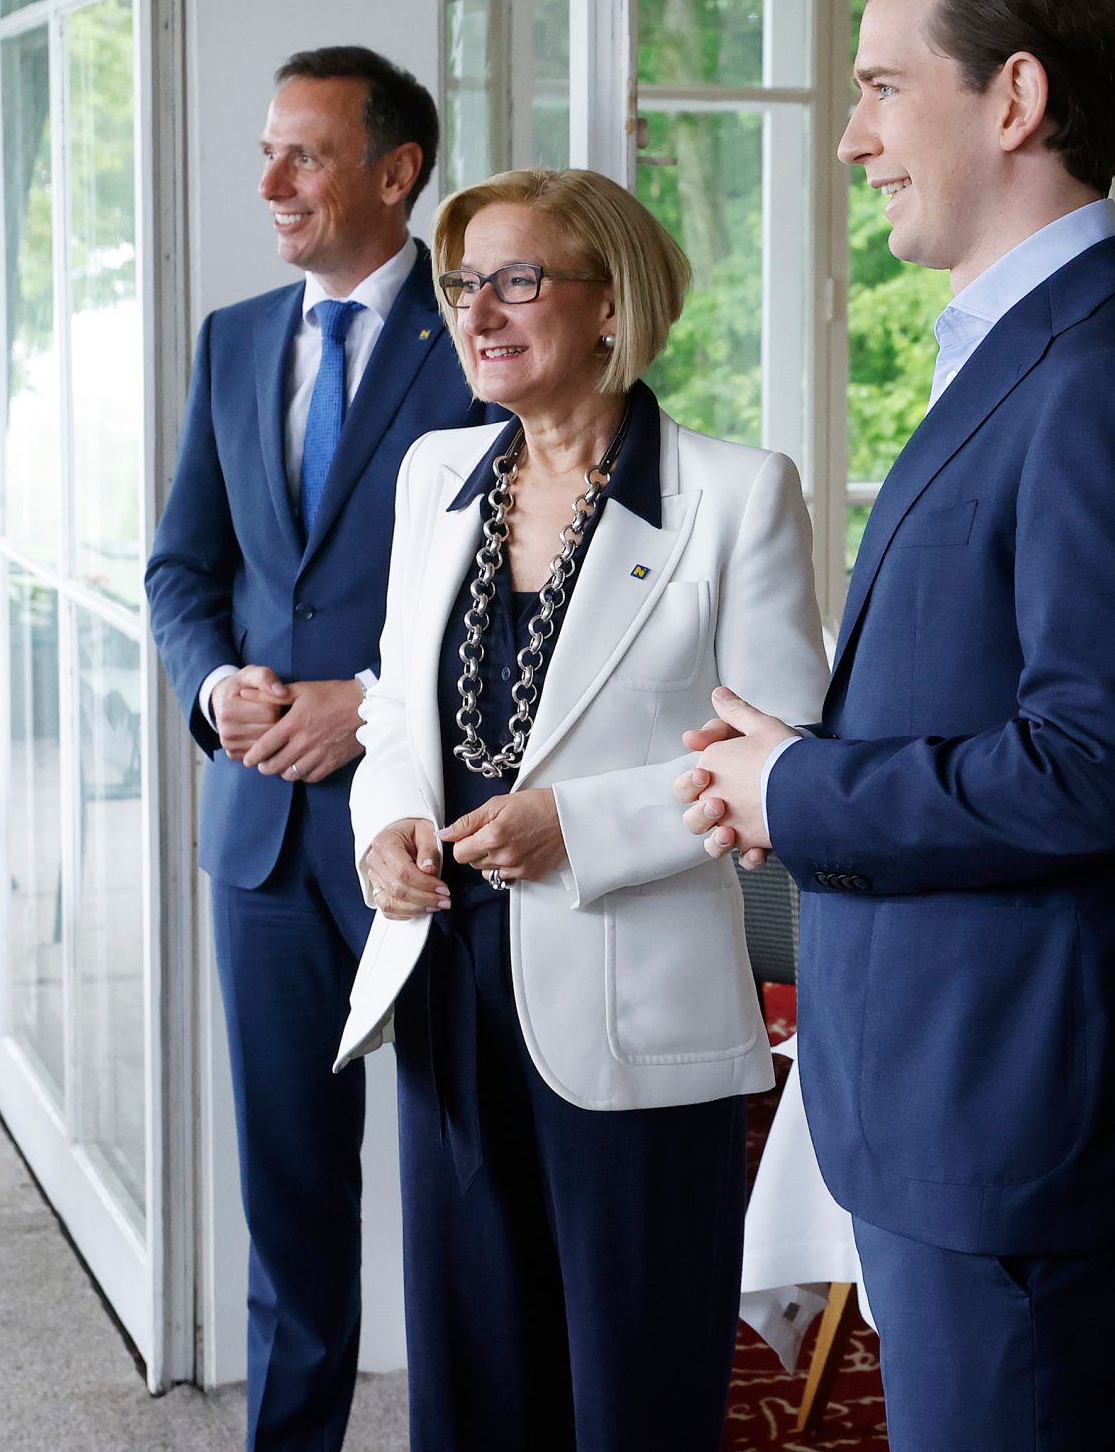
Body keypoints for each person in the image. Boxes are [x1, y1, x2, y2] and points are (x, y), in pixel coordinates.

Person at [676, 0, 1115, 1451]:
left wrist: (801, 788)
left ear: (1012, 100)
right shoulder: (1020, 349)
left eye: (877, 87)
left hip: (1027, 1144)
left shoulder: (1112, 379)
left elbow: (1093, 771)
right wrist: (797, 760)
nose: (852, 138)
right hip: (955, 1116)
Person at [335, 166, 828, 1452]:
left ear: (612, 305)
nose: (478, 313)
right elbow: (394, 706)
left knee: (630, 1390)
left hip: (636, 1006)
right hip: (446, 976)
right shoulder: (436, 472)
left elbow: (782, 760)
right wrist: (383, 822)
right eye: (461, 284)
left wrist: (580, 825)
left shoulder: (738, 492)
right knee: (472, 1379)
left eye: (517, 279)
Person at [145, 46, 486, 1451]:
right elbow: (183, 568)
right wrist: (214, 684)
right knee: (289, 1193)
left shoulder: (479, 337)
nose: (270, 181)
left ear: (396, 174)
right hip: (264, 842)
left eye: (306, 154)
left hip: (431, 835)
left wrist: (376, 699)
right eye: (267, 150)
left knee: (465, 1182)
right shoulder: (232, 340)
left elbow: (517, 589)